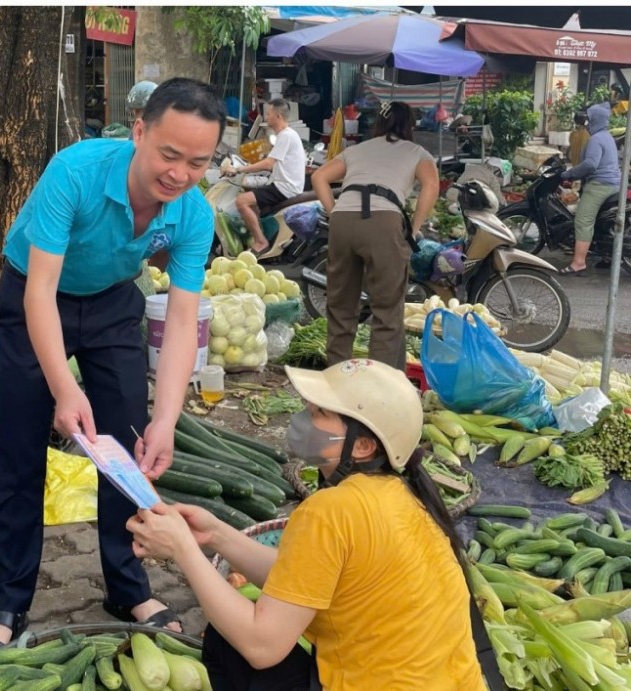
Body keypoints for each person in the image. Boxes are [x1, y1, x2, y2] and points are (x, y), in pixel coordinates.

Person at [0, 77, 226, 667]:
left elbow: (182, 321)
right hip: (36, 292)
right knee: (20, 445)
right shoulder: (75, 172)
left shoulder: (194, 214)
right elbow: (41, 292)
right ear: (138, 131)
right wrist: (64, 387)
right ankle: (8, 602)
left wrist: (167, 418)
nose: (180, 173)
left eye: (199, 162)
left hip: (111, 300)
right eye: (168, 154)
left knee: (129, 451)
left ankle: (128, 589)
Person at [127, 359, 486, 691]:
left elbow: (261, 646)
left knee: (229, 644)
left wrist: (184, 550)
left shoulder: (331, 510)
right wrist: (217, 535)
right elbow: (299, 577)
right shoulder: (403, 495)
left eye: (319, 413)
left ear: (361, 446)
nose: (302, 419)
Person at [311, 100, 438, 370]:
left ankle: (336, 377)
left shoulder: (357, 149)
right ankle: (381, 384)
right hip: (384, 220)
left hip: (344, 220)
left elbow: (319, 177)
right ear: (411, 126)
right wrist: (414, 228)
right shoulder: (417, 152)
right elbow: (431, 184)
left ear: (379, 124)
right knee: (386, 310)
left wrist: (334, 213)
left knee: (341, 306)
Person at [226, 99, 307, 255]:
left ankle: (261, 241)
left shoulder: (286, 136)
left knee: (241, 201)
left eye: (268, 114)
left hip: (285, 187)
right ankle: (257, 235)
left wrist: (239, 169)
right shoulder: (287, 135)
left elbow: (268, 164)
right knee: (252, 202)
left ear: (278, 116)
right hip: (284, 184)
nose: (266, 117)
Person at [559, 101, 621, 275]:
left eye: (589, 118)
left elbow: (590, 165)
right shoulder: (607, 137)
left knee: (583, 221)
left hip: (599, 186)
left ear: (594, 120)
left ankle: (579, 262)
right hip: (613, 185)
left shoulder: (596, 139)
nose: (587, 122)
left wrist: (569, 174)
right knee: (602, 221)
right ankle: (607, 256)